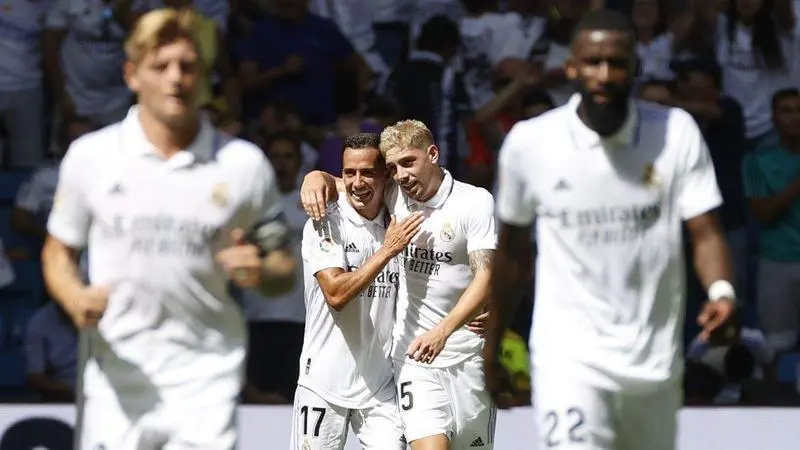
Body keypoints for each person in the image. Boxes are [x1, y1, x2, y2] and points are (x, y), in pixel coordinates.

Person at [41, 9, 297, 450]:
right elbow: (58, 251)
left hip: (205, 378)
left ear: (203, 76)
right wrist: (74, 297)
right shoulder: (91, 157)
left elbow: (283, 268)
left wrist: (259, 269)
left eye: (187, 66)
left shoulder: (242, 164)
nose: (175, 78)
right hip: (115, 379)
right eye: (160, 66)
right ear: (131, 75)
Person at [485, 10, 736, 450]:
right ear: (571, 68)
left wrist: (721, 292)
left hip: (654, 362)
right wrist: (491, 347)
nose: (604, 74)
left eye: (616, 63)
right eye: (592, 62)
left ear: (635, 68)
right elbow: (511, 256)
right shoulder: (530, 143)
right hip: (569, 358)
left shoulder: (675, 133)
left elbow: (705, 231)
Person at [301, 120, 496, 449]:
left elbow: (487, 276)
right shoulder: (396, 194)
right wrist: (314, 177)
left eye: (408, 162)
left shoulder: (474, 202)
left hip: (467, 354)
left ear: (432, 154)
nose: (402, 175)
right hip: (414, 357)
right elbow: (351, 183)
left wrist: (446, 329)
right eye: (393, 168)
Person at [293, 133, 422, 449]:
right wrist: (387, 251)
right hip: (323, 383)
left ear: (385, 177)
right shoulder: (325, 221)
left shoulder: (398, 218)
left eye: (367, 172)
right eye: (349, 173)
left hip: (378, 385)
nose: (356, 182)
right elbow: (336, 294)